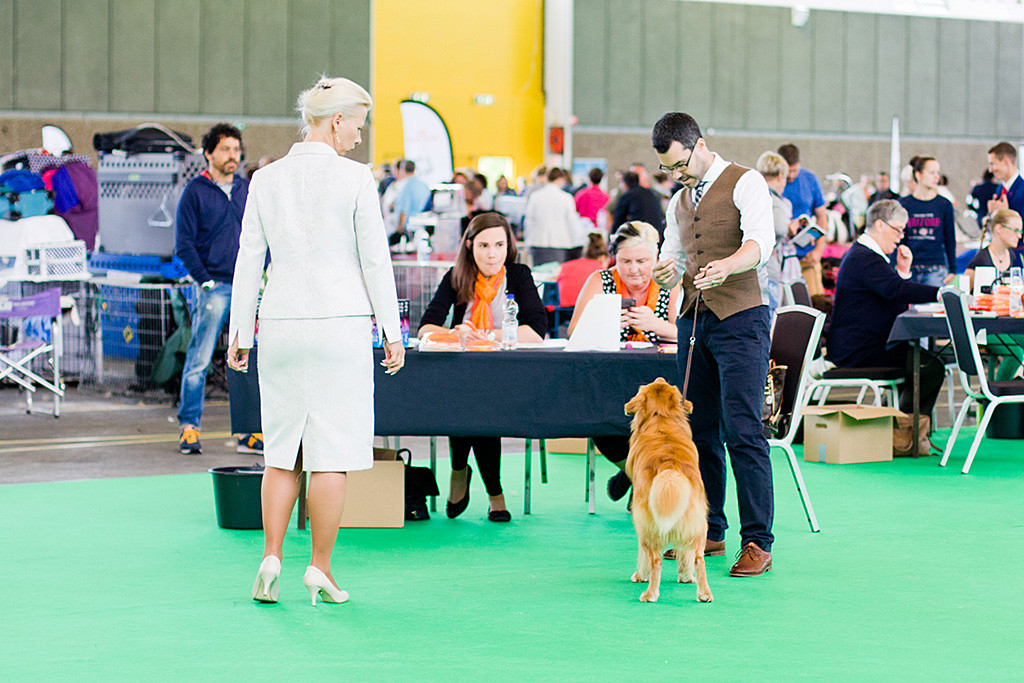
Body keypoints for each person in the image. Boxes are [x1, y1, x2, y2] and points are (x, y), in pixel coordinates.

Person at [227, 76, 405, 606]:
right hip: (341, 327)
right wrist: (391, 331)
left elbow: (247, 261)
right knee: (331, 457)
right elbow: (375, 260)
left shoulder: (265, 179)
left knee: (281, 453)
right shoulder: (355, 179)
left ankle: (270, 556)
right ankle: (320, 568)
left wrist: (241, 331)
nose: (358, 135)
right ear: (335, 121)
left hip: (279, 325)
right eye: (357, 124)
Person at [651, 112, 776, 577]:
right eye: (669, 170)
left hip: (742, 318)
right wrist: (666, 272)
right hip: (693, 320)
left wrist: (729, 266)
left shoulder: (746, 182)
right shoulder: (678, 201)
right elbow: (671, 257)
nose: (677, 176)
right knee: (699, 431)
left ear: (699, 144)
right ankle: (711, 530)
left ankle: (758, 542)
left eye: (680, 165)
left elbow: (761, 243)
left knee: (744, 430)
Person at [418, 212, 547, 522]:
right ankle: (494, 494)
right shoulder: (456, 276)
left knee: (478, 402)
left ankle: (460, 471)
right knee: (470, 398)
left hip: (506, 372)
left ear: (509, 246)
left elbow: (536, 332)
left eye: (499, 245)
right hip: (463, 372)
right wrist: (454, 333)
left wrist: (486, 335)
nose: (492, 254)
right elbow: (425, 328)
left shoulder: (518, 275)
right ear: (469, 247)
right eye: (484, 246)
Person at [567, 221, 679, 502]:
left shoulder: (671, 283)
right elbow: (573, 332)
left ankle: (635, 477)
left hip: (659, 380)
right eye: (625, 261)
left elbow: (688, 334)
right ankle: (638, 474)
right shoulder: (600, 280)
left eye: (642, 261)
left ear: (656, 258)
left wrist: (656, 324)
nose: (633, 269)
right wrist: (603, 324)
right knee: (595, 419)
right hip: (609, 378)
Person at [174, 123, 260, 456]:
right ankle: (189, 428)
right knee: (199, 358)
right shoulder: (195, 191)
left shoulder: (246, 190)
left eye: (237, 150)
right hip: (213, 287)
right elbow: (184, 244)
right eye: (225, 149)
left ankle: (248, 431)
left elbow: (260, 235)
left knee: (246, 359)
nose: (233, 156)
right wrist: (204, 280)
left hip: (246, 287)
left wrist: (261, 270)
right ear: (208, 153)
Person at [825, 200, 944, 417]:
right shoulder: (865, 258)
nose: (901, 237)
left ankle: (906, 425)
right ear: (879, 225)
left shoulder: (866, 255)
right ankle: (907, 428)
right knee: (929, 367)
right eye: (898, 230)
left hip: (864, 344)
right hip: (859, 350)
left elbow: (893, 295)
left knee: (925, 363)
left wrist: (903, 271)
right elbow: (896, 290)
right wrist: (940, 294)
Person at [964, 208, 1024, 381]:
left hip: (1007, 324)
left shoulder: (1012, 257)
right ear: (999, 229)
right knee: (1015, 353)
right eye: (1016, 230)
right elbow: (963, 297)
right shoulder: (980, 261)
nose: (1019, 235)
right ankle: (998, 397)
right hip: (984, 327)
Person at [778, 144, 827, 295]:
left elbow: (822, 216)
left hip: (807, 255)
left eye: (795, 170)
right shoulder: (772, 182)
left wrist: (818, 250)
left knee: (814, 301)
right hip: (781, 257)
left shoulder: (810, 179)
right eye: (788, 171)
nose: (791, 175)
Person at [899, 156, 956, 286]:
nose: (937, 177)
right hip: (909, 267)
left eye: (938, 172)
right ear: (918, 175)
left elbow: (950, 238)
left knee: (934, 306)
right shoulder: (903, 204)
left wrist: (953, 269)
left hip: (935, 268)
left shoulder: (944, 204)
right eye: (932, 172)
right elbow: (899, 238)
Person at [757, 151, 798, 313]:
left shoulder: (755, 194)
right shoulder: (775, 200)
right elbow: (780, 227)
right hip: (768, 270)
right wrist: (790, 228)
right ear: (781, 176)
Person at [524, 167, 580, 264]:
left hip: (538, 243)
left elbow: (528, 221)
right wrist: (575, 242)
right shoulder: (567, 198)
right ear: (561, 180)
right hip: (560, 244)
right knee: (556, 276)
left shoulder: (535, 196)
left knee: (539, 275)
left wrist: (527, 242)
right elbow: (572, 223)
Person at [556, 232, 610, 307]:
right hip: (589, 310)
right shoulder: (601, 271)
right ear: (603, 258)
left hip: (563, 310)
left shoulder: (565, 266)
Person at [612, 171, 665, 240]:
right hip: (659, 235)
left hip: (641, 237)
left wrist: (612, 239)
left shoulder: (626, 196)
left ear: (624, 184)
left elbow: (618, 220)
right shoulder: (652, 193)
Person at [390, 159, 431, 244]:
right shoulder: (424, 185)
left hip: (407, 230)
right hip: (421, 227)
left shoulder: (405, 186)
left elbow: (404, 210)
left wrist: (399, 231)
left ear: (402, 170)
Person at [987, 142, 1024, 217]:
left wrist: (1005, 214)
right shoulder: (999, 189)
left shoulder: (1022, 190)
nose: (990, 170)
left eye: (992, 164)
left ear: (1006, 161)